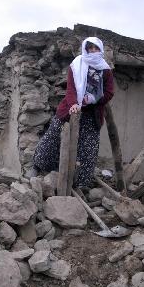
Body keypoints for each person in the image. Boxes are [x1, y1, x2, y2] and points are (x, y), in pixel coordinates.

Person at [31, 36, 114, 188]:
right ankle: (38, 166)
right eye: (90, 48)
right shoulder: (76, 65)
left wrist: (93, 99)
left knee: (88, 147)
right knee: (53, 135)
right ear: (86, 49)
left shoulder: (105, 70)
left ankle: (81, 183)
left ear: (100, 49)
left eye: (96, 48)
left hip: (92, 114)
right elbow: (71, 89)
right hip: (70, 109)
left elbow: (109, 92)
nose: (93, 51)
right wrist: (75, 104)